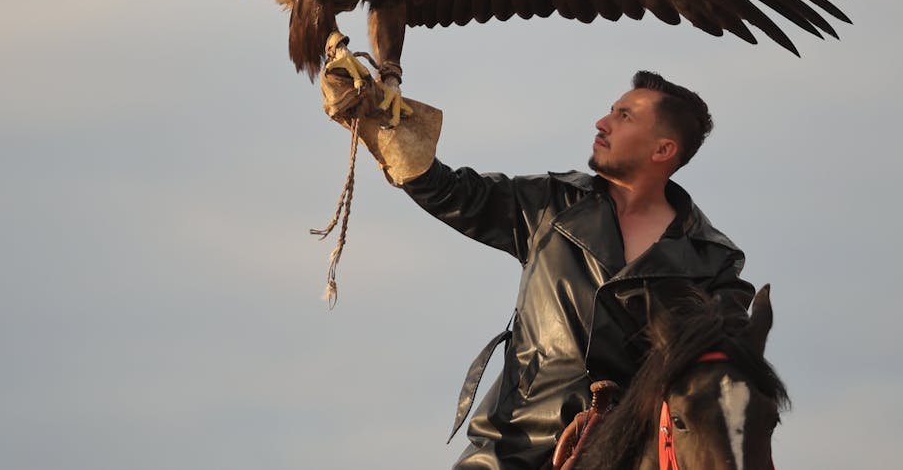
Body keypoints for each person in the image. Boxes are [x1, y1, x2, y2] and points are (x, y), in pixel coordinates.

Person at [322, 66, 754, 469]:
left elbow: (720, 381)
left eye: (624, 116)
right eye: (611, 111)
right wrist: (386, 127)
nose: (602, 123)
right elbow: (451, 193)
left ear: (663, 149)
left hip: (630, 454)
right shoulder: (549, 203)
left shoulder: (711, 262)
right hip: (510, 447)